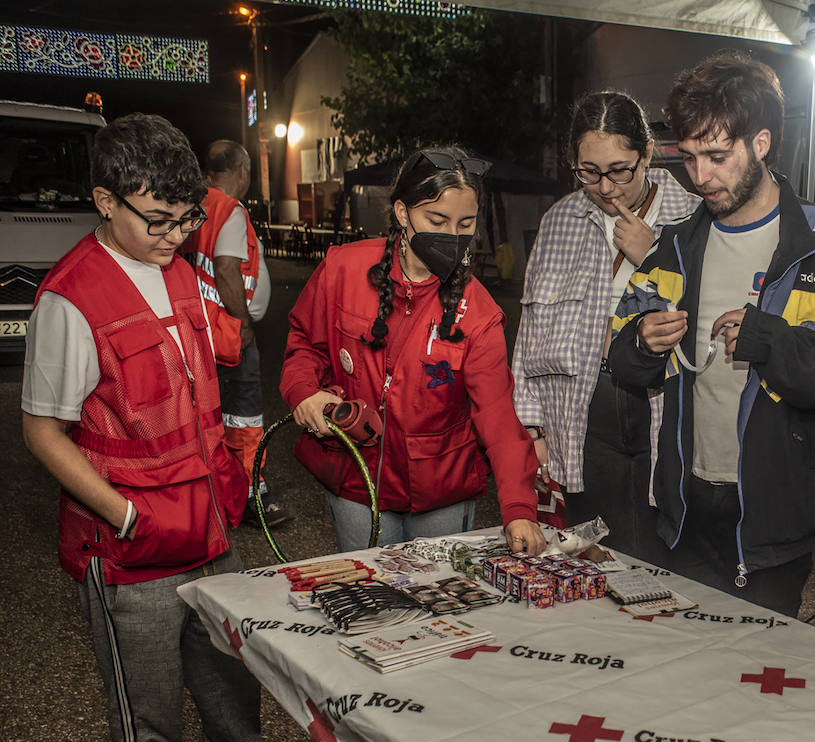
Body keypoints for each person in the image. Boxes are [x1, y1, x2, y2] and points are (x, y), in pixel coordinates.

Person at [20, 113, 308, 742]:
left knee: (224, 658)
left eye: (187, 217)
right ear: (104, 200)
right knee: (145, 688)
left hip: (206, 518)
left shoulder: (181, 266)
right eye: (156, 218)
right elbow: (43, 432)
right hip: (129, 538)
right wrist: (123, 513)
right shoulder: (70, 298)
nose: (175, 234)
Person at [606, 51, 815, 616]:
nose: (700, 177)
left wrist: (773, 341)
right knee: (687, 674)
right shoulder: (674, 245)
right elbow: (620, 354)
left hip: (774, 516)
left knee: (754, 682)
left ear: (761, 143)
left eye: (717, 156)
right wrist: (642, 341)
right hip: (686, 508)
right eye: (690, 158)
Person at [281, 147, 545, 555]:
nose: (452, 235)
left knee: (442, 605)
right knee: (370, 599)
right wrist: (303, 392)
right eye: (437, 220)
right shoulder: (342, 269)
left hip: (443, 492)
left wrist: (519, 508)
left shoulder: (479, 311)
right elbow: (304, 344)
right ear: (403, 213)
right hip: (357, 480)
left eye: (466, 223)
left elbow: (496, 415)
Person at [512, 91, 698, 564]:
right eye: (589, 172)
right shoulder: (560, 222)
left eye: (620, 169)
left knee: (659, 553)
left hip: (661, 412)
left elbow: (709, 328)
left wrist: (652, 257)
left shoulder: (693, 218)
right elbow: (531, 333)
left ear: (649, 152)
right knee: (591, 553)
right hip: (582, 417)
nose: (606, 187)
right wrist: (532, 430)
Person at [181, 139, 292, 528]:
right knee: (244, 419)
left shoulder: (198, 203)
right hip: (229, 333)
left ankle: (216, 492)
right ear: (243, 170)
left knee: (213, 415)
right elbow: (227, 269)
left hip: (206, 328)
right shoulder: (229, 209)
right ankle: (252, 498)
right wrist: (243, 323)